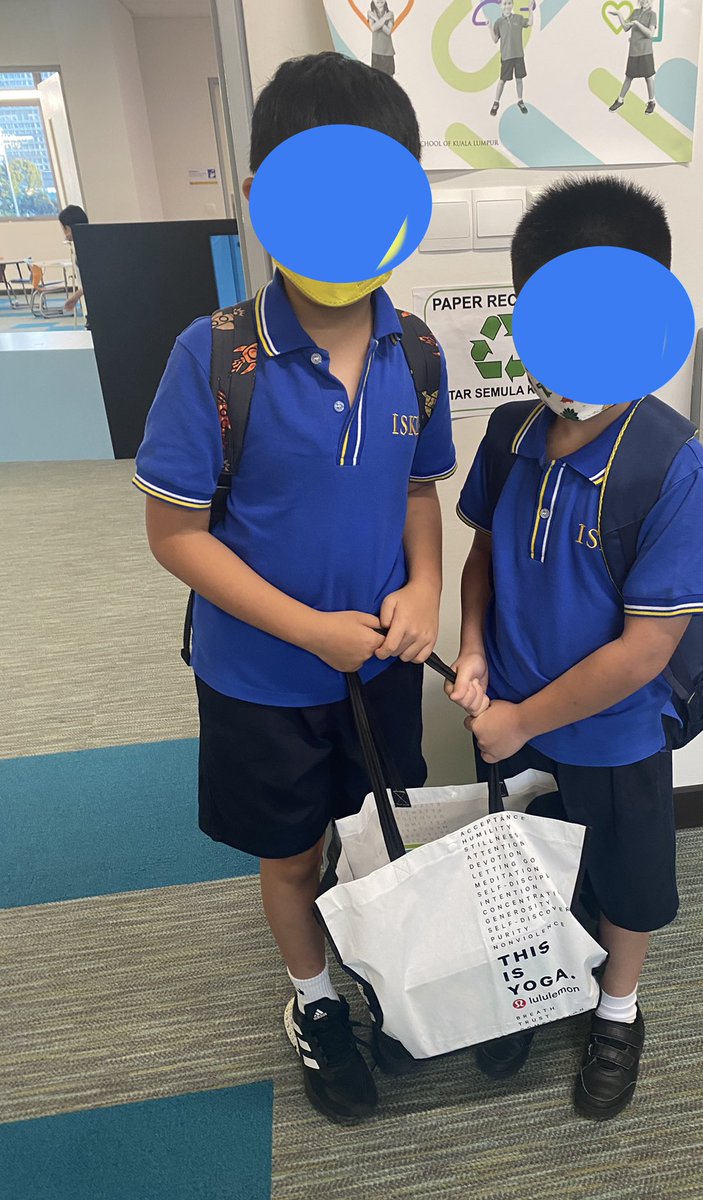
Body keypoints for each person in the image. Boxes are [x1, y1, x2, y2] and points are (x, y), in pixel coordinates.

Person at [133, 53, 456, 1125]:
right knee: (290, 856)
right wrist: (306, 630)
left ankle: (370, 967)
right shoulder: (214, 355)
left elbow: (419, 494)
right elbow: (175, 534)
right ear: (260, 200)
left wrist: (423, 589)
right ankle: (313, 1000)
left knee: (371, 842)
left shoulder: (415, 352)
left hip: (380, 671)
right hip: (260, 675)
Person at [447, 176, 703, 1121]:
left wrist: (523, 713)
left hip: (611, 734)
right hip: (508, 715)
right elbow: (481, 553)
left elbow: (647, 650)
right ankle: (534, 981)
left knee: (626, 880)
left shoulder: (669, 464)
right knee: (521, 861)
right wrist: (474, 652)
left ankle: (617, 1010)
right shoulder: (510, 429)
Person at [610, 0, 658, 115]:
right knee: (629, 76)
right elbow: (626, 27)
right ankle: (620, 100)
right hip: (633, 51)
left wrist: (637, 24)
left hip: (645, 51)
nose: (644, 1)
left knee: (648, 77)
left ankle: (651, 102)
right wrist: (619, 15)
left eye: (647, 0)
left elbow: (650, 34)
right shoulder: (635, 12)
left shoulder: (652, 15)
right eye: (642, 0)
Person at [489, 0, 530, 117]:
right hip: (507, 56)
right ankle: (496, 102)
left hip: (518, 55)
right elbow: (495, 39)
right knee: (502, 80)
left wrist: (530, 11)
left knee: (519, 79)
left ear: (512, 5)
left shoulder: (518, 18)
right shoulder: (499, 22)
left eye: (509, 3)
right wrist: (489, 27)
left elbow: (530, 22)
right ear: (501, 6)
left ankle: (520, 100)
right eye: (505, 3)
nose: (507, 6)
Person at [58, 204, 88, 316]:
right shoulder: (93, 241)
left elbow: (89, 280)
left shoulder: (82, 249)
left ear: (68, 229)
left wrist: (74, 298)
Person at [368, 0, 396, 75]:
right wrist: (384, 19)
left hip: (388, 51)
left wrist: (377, 19)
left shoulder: (390, 14)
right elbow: (373, 28)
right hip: (376, 51)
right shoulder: (371, 13)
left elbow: (388, 31)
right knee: (377, 78)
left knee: (389, 78)